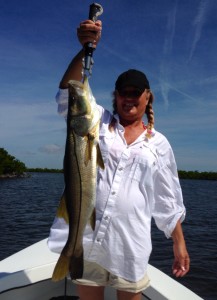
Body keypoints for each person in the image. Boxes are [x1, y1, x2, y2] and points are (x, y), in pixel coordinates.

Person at [48, 20, 190, 300]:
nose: (128, 99)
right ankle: (71, 251)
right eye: (123, 93)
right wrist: (85, 50)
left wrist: (179, 244)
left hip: (129, 246)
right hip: (89, 243)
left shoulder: (159, 143)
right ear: (115, 97)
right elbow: (68, 93)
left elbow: (167, 199)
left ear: (148, 97)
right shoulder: (97, 122)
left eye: (135, 94)